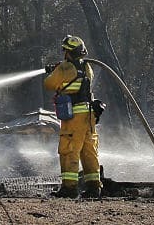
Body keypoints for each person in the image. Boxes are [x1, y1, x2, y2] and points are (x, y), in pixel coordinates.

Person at [43, 34, 101, 199]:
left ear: (68, 52)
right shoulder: (87, 67)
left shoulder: (64, 68)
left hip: (74, 116)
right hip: (89, 115)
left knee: (69, 149)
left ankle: (69, 188)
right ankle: (93, 187)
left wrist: (56, 69)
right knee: (89, 150)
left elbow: (49, 84)